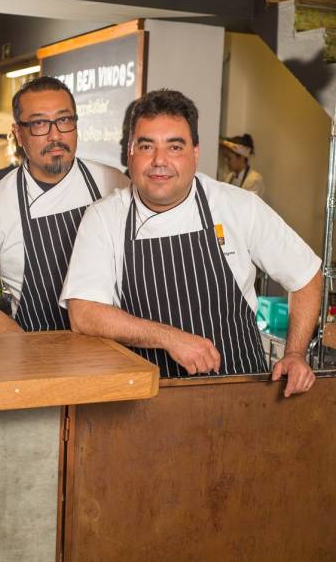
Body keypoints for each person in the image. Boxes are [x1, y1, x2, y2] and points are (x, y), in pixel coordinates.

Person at [61, 89, 322, 397]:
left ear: (195, 152)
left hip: (241, 392)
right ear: (130, 152)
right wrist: (169, 338)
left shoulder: (237, 206)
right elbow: (84, 312)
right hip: (145, 400)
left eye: (175, 147)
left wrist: (294, 354)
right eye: (147, 146)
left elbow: (306, 276)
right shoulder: (105, 218)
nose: (160, 161)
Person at [0, 76, 129, 334]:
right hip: (37, 354)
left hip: (116, 349)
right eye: (39, 124)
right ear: (18, 134)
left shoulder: (112, 182)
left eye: (64, 120)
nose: (55, 135)